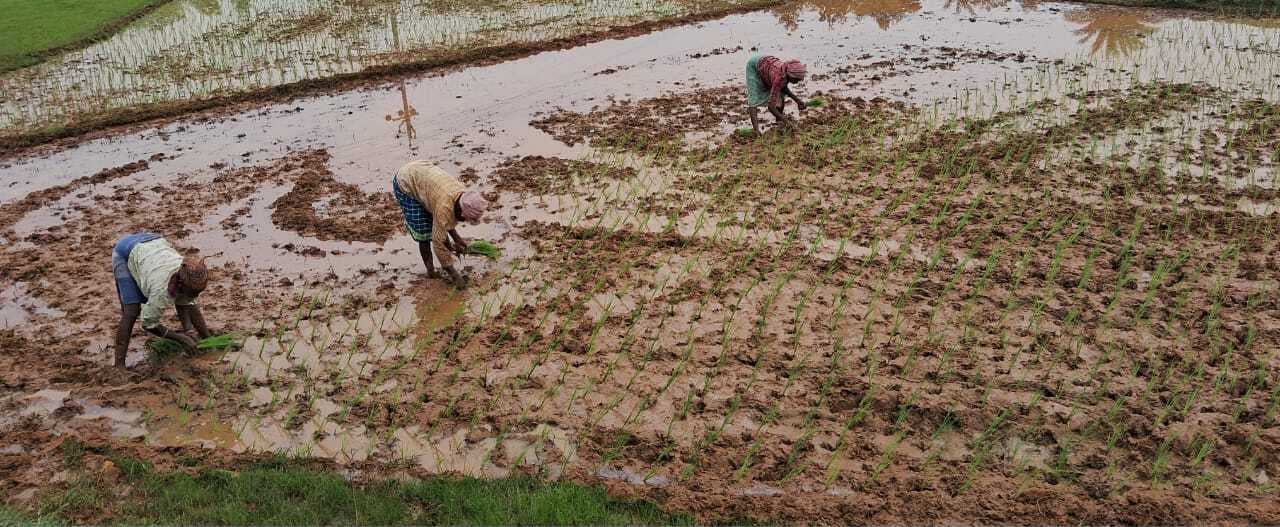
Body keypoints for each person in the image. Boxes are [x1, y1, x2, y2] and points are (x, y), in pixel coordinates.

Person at [111, 233, 211, 368]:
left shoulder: (186, 271)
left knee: (189, 303)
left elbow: (186, 303)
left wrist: (196, 334)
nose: (196, 296)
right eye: (193, 293)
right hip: (126, 251)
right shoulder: (161, 290)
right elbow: (149, 323)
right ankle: (119, 366)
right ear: (181, 286)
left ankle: (208, 338)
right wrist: (181, 339)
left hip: (153, 241)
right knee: (131, 311)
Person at [392, 161, 488, 286]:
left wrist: (457, 239)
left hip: (422, 174)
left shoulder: (462, 196)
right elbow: (438, 242)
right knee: (424, 233)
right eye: (465, 219)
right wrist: (455, 275)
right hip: (406, 182)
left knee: (436, 220)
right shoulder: (444, 208)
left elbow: (447, 219)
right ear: (462, 212)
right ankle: (431, 272)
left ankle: (433, 269)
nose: (464, 221)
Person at [745, 55, 808, 134]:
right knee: (753, 98)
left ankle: (779, 122)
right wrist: (787, 121)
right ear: (791, 76)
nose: (798, 82)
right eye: (797, 80)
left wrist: (797, 100)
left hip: (767, 66)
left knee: (781, 95)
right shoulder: (779, 77)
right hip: (754, 65)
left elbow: (783, 88)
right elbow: (771, 107)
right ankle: (756, 131)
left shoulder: (785, 72)